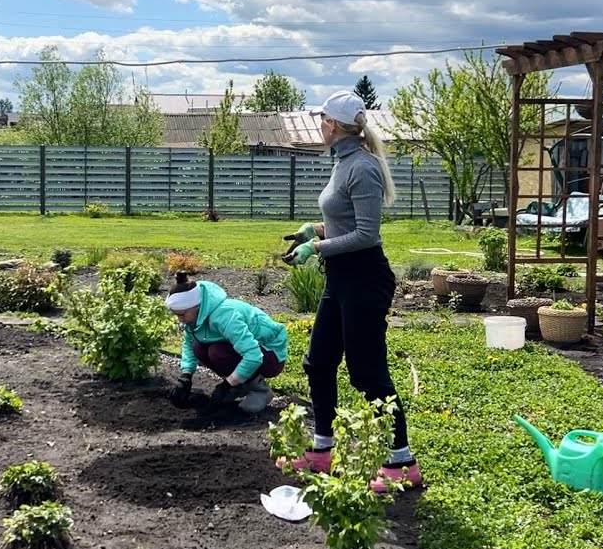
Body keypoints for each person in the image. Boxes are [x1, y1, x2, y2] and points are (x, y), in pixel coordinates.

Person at [278, 89, 422, 491]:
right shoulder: (342, 163)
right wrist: (315, 229)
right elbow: (345, 222)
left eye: (322, 119)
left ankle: (402, 462)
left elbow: (366, 234)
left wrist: (316, 247)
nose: (318, 125)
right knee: (318, 362)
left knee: (367, 373)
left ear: (335, 126)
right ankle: (322, 451)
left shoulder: (362, 167)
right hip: (341, 278)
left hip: (364, 279)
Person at [166, 272, 289, 414]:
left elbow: (254, 355)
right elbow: (189, 344)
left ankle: (260, 391)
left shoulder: (225, 316)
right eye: (177, 315)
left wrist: (227, 385)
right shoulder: (194, 319)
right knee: (199, 347)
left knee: (218, 352)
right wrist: (185, 376)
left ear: (197, 307)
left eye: (182, 314)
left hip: (270, 353)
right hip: (246, 351)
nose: (180, 319)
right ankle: (240, 385)